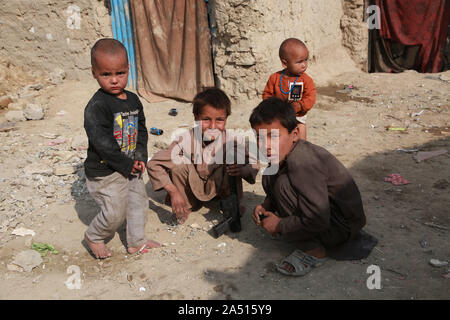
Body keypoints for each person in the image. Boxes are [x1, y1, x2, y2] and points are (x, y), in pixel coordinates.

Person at [249, 97, 366, 276]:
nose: (266, 146)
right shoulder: (285, 154)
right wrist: (266, 205)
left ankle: (314, 251)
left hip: (341, 227)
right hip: (328, 216)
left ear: (295, 134)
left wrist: (280, 225)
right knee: (270, 174)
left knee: (282, 185)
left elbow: (318, 218)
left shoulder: (303, 161)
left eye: (273, 136)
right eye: (260, 137)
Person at [83, 38, 160, 259]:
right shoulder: (97, 106)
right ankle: (94, 235)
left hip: (130, 165)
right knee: (115, 211)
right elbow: (102, 144)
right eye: (106, 75)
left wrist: (140, 156)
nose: (114, 80)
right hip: (106, 171)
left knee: (138, 202)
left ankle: (136, 242)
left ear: (128, 69)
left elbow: (141, 130)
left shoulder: (134, 100)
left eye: (120, 73)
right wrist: (127, 164)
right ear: (94, 73)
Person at [147, 87, 259, 224]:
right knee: (178, 165)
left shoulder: (233, 140)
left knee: (234, 158)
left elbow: (253, 163)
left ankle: (231, 202)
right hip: (193, 189)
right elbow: (154, 164)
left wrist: (243, 170)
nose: (212, 126)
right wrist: (173, 192)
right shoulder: (186, 140)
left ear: (226, 119)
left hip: (221, 189)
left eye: (219, 120)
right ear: (196, 118)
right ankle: (187, 204)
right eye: (206, 119)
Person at [262, 38, 316, 141]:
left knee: (300, 139)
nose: (304, 64)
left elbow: (311, 97)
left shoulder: (306, 80)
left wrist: (300, 105)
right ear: (285, 63)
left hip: (298, 116)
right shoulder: (275, 78)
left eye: (306, 60)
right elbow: (266, 94)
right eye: (299, 61)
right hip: (279, 116)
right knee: (278, 139)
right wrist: (274, 107)